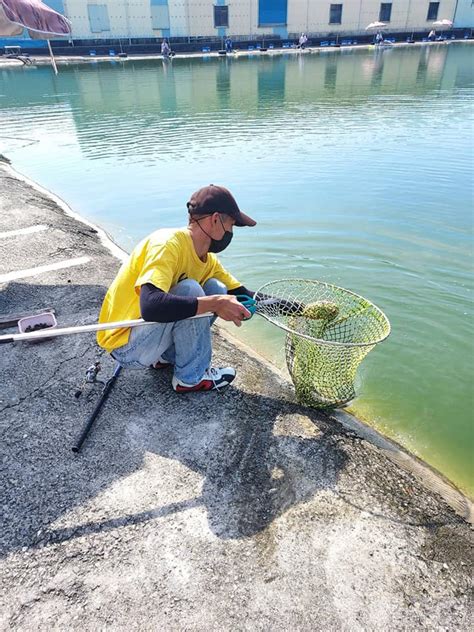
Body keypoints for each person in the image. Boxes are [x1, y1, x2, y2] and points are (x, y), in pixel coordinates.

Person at [97, 185, 257, 393]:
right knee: (191, 290)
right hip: (127, 347)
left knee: (216, 287)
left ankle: (166, 357)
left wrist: (301, 309)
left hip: (151, 342)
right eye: (231, 225)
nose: (231, 233)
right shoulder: (167, 244)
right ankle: (190, 378)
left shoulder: (207, 261)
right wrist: (216, 304)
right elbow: (151, 306)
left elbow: (244, 294)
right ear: (215, 219)